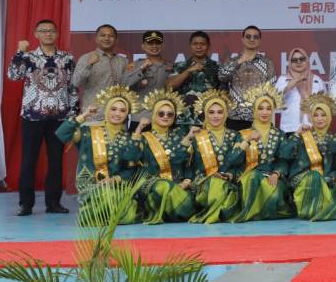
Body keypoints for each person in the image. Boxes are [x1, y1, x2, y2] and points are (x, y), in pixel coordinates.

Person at [7, 19, 77, 216]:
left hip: (59, 116)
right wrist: (19, 52)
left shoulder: (67, 58)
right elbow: (13, 75)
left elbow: (72, 86)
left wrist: (73, 111)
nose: (48, 34)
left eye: (51, 31)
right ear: (36, 34)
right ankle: (26, 204)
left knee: (56, 161)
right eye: (43, 31)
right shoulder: (28, 57)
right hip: (33, 115)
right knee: (29, 160)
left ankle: (53, 203)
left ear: (57, 34)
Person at [131, 89, 197, 225]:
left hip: (179, 185)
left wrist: (186, 182)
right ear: (154, 114)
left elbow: (188, 164)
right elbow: (130, 157)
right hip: (151, 185)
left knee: (188, 200)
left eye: (170, 114)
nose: (165, 116)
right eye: (161, 113)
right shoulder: (144, 137)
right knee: (164, 187)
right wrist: (138, 129)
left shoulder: (181, 136)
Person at [229, 82, 291, 222]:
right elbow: (233, 160)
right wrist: (247, 141)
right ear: (254, 110)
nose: (264, 112)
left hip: (271, 178)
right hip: (249, 180)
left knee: (274, 197)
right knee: (252, 177)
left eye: (268, 108)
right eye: (260, 108)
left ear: (273, 110)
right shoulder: (243, 134)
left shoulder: (279, 134)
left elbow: (283, 161)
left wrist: (276, 173)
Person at [56, 85, 138, 188]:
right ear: (107, 110)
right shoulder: (87, 132)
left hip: (117, 189)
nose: (118, 113)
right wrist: (84, 116)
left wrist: (114, 180)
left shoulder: (128, 138)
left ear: (127, 114)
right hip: (90, 189)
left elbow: (130, 169)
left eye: (123, 111)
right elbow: (61, 133)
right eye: (113, 109)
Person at [283, 93, 336, 221]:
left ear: (329, 117)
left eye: (323, 115)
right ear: (311, 117)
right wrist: (296, 134)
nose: (319, 119)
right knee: (314, 177)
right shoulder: (304, 136)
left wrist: (329, 178)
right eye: (316, 115)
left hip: (325, 180)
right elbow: (284, 154)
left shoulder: (333, 140)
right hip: (302, 179)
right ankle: (312, 211)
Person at [188, 90, 244, 225]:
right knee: (216, 185)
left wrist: (230, 175)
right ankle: (214, 214)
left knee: (224, 187)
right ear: (205, 114)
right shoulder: (197, 136)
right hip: (204, 183)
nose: (216, 116)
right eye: (211, 112)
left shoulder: (235, 135)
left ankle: (214, 214)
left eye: (220, 112)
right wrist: (210, 175)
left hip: (229, 181)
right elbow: (191, 166)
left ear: (226, 114)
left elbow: (240, 162)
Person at [219, 25, 276, 131]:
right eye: (248, 36)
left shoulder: (267, 63)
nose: (252, 39)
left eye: (255, 37)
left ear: (260, 40)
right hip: (233, 117)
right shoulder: (232, 61)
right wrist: (239, 61)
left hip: (258, 117)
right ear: (242, 39)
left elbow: (271, 92)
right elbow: (222, 77)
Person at [72, 24, 127, 124]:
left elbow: (127, 86)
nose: (106, 38)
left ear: (116, 40)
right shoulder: (86, 58)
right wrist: (89, 65)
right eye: (103, 35)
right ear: (96, 38)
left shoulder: (123, 61)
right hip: (94, 115)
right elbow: (76, 82)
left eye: (110, 36)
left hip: (118, 116)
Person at [167, 31, 220, 120]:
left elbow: (223, 92)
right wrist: (188, 71)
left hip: (209, 117)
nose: (199, 47)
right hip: (184, 117)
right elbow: (169, 86)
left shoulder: (217, 67)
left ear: (208, 46)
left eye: (202, 44)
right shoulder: (180, 66)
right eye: (195, 44)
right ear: (190, 46)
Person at [123, 30, 171, 128]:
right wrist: (141, 69)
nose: (154, 46)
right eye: (150, 43)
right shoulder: (134, 65)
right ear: (143, 46)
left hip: (164, 117)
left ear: (163, 46)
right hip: (139, 117)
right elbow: (123, 85)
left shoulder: (170, 66)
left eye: (157, 43)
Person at [275, 47, 326, 133]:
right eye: (294, 60)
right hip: (290, 128)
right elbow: (276, 97)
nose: (298, 62)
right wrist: (295, 81)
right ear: (290, 63)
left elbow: (324, 106)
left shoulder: (317, 80)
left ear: (307, 61)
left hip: (313, 128)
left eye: (301, 59)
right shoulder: (283, 79)